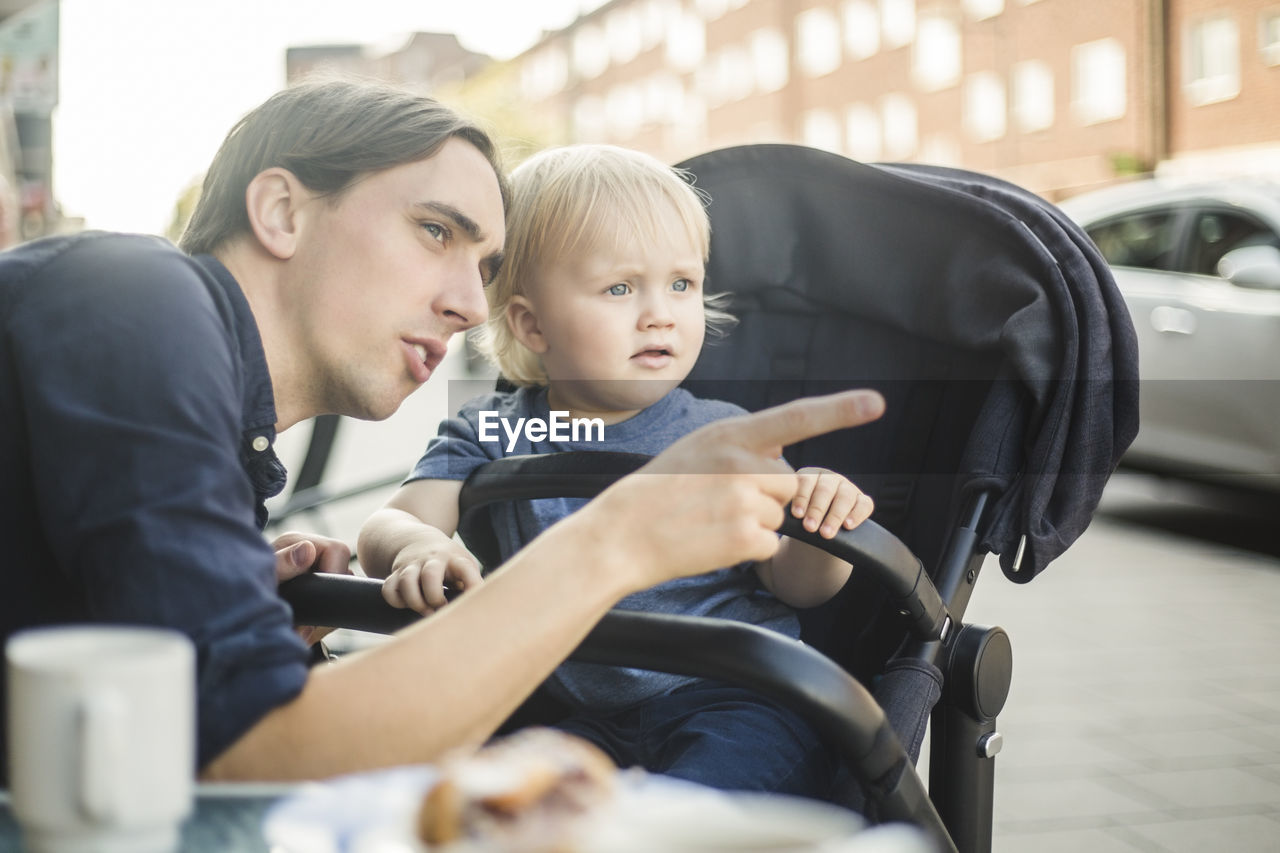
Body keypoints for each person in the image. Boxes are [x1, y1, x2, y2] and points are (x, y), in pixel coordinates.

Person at [0, 78, 885, 784]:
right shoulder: (138, 299)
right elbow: (244, 749)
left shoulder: (214, 427)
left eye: (485, 268)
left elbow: (182, 730)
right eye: (435, 231)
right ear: (282, 212)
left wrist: (244, 631)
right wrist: (613, 542)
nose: (470, 305)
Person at [358, 145, 875, 799]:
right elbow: (394, 520)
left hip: (739, 701)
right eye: (620, 287)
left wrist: (820, 522)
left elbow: (797, 585)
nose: (660, 312)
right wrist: (419, 547)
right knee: (486, 803)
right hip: (578, 716)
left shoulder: (724, 436)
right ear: (532, 323)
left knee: (674, 825)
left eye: (682, 284)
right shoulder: (495, 428)